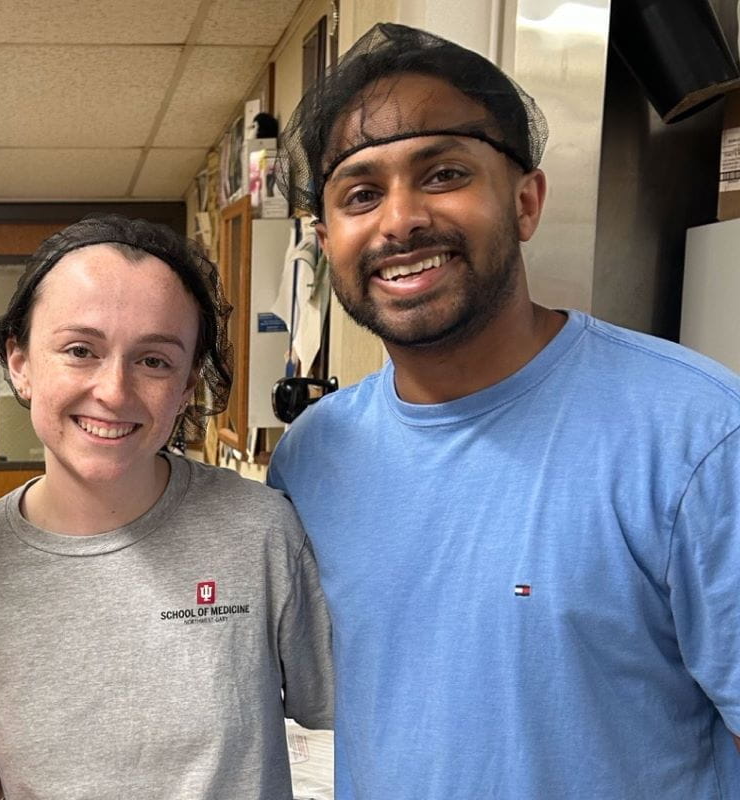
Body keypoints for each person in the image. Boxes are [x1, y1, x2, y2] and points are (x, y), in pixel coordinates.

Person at [268, 22, 740, 798]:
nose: (400, 220)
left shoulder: (698, 438)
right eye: (361, 194)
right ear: (327, 241)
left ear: (525, 201)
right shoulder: (313, 457)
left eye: (443, 173)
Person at [0, 215, 333, 800]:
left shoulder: (259, 531)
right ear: (20, 362)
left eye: (155, 360)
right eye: (80, 350)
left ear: (188, 384)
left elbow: (344, 710)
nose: (114, 391)